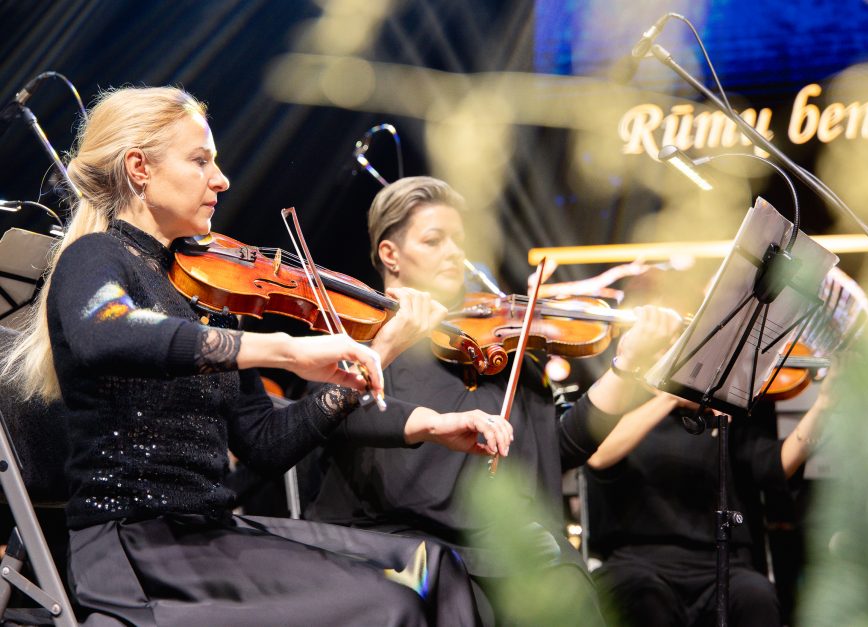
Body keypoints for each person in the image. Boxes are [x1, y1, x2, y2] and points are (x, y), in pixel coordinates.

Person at [0, 86, 513, 626]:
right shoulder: (95, 256)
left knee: (432, 567)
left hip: (209, 535)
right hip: (136, 549)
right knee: (391, 603)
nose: (220, 179)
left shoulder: (205, 294)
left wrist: (362, 369)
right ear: (139, 168)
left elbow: (265, 444)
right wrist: (285, 350)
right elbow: (106, 332)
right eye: (200, 160)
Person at [309, 175, 683, 625]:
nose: (454, 252)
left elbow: (560, 446)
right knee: (463, 602)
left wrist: (628, 366)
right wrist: (390, 350)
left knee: (563, 586)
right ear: (390, 254)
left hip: (498, 541)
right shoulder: (359, 339)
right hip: (399, 537)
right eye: (434, 240)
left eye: (459, 241)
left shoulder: (498, 348)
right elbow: (333, 414)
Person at [585, 367, 839, 626]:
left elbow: (777, 463)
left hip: (720, 561)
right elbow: (598, 454)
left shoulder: (724, 412)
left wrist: (824, 405)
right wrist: (673, 395)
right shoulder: (626, 400)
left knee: (756, 596)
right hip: (638, 561)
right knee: (644, 599)